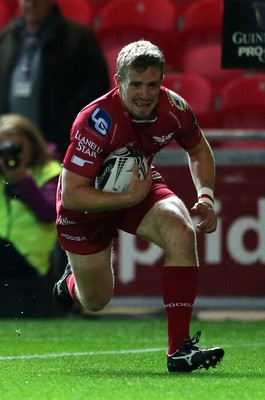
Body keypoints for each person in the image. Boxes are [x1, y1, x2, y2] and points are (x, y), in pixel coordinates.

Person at [53, 40, 225, 373]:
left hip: (138, 184)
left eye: (152, 84)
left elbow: (199, 150)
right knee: (97, 300)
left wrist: (205, 196)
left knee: (180, 229)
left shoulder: (173, 108)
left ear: (161, 81)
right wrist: (127, 198)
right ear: (118, 81)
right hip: (85, 207)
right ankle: (70, 282)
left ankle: (179, 350)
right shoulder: (96, 120)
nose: (145, 93)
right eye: (136, 84)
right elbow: (72, 195)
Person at [0, 0, 110, 158]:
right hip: (8, 147)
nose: (30, 4)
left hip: (57, 147)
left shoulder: (78, 38)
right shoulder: (6, 38)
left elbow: (97, 84)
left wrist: (66, 124)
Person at [0, 113, 62, 318]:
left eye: (16, 146)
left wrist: (23, 182)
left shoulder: (49, 172)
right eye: (4, 147)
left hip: (30, 260)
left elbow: (48, 214)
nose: (11, 154)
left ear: (32, 143)